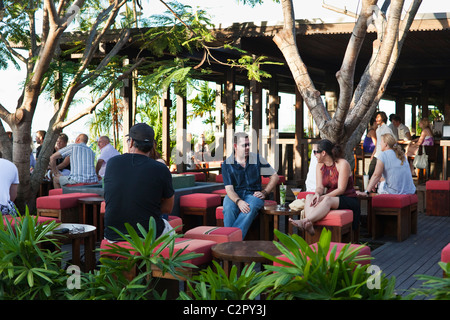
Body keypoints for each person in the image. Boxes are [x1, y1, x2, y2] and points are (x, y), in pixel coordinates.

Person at [103, 123, 175, 241]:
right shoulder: (161, 168)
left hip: (113, 235)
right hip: (148, 236)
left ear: (131, 142)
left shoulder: (112, 163)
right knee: (170, 231)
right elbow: (168, 208)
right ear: (152, 145)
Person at [289, 139, 360, 236]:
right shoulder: (320, 166)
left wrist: (322, 198)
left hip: (347, 198)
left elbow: (341, 189)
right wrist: (317, 194)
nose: (314, 155)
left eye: (315, 152)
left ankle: (305, 221)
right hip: (331, 197)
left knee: (327, 200)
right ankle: (309, 225)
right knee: (309, 197)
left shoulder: (342, 164)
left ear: (323, 153)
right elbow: (319, 187)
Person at [221, 132, 279, 238]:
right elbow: (229, 190)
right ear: (235, 146)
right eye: (244, 145)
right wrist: (239, 201)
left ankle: (230, 241)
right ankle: (232, 241)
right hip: (235, 194)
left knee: (249, 206)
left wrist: (265, 192)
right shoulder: (227, 164)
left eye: (249, 144)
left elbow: (275, 176)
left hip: (254, 194)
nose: (248, 147)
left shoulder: (257, 159)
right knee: (228, 207)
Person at [368, 111, 395, 179]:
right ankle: (373, 188)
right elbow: (377, 143)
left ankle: (376, 188)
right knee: (371, 172)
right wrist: (373, 154)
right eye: (376, 117)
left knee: (380, 173)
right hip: (377, 154)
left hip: (383, 154)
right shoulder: (377, 130)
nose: (376, 119)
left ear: (383, 118)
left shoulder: (387, 129)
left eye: (378, 117)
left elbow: (390, 142)